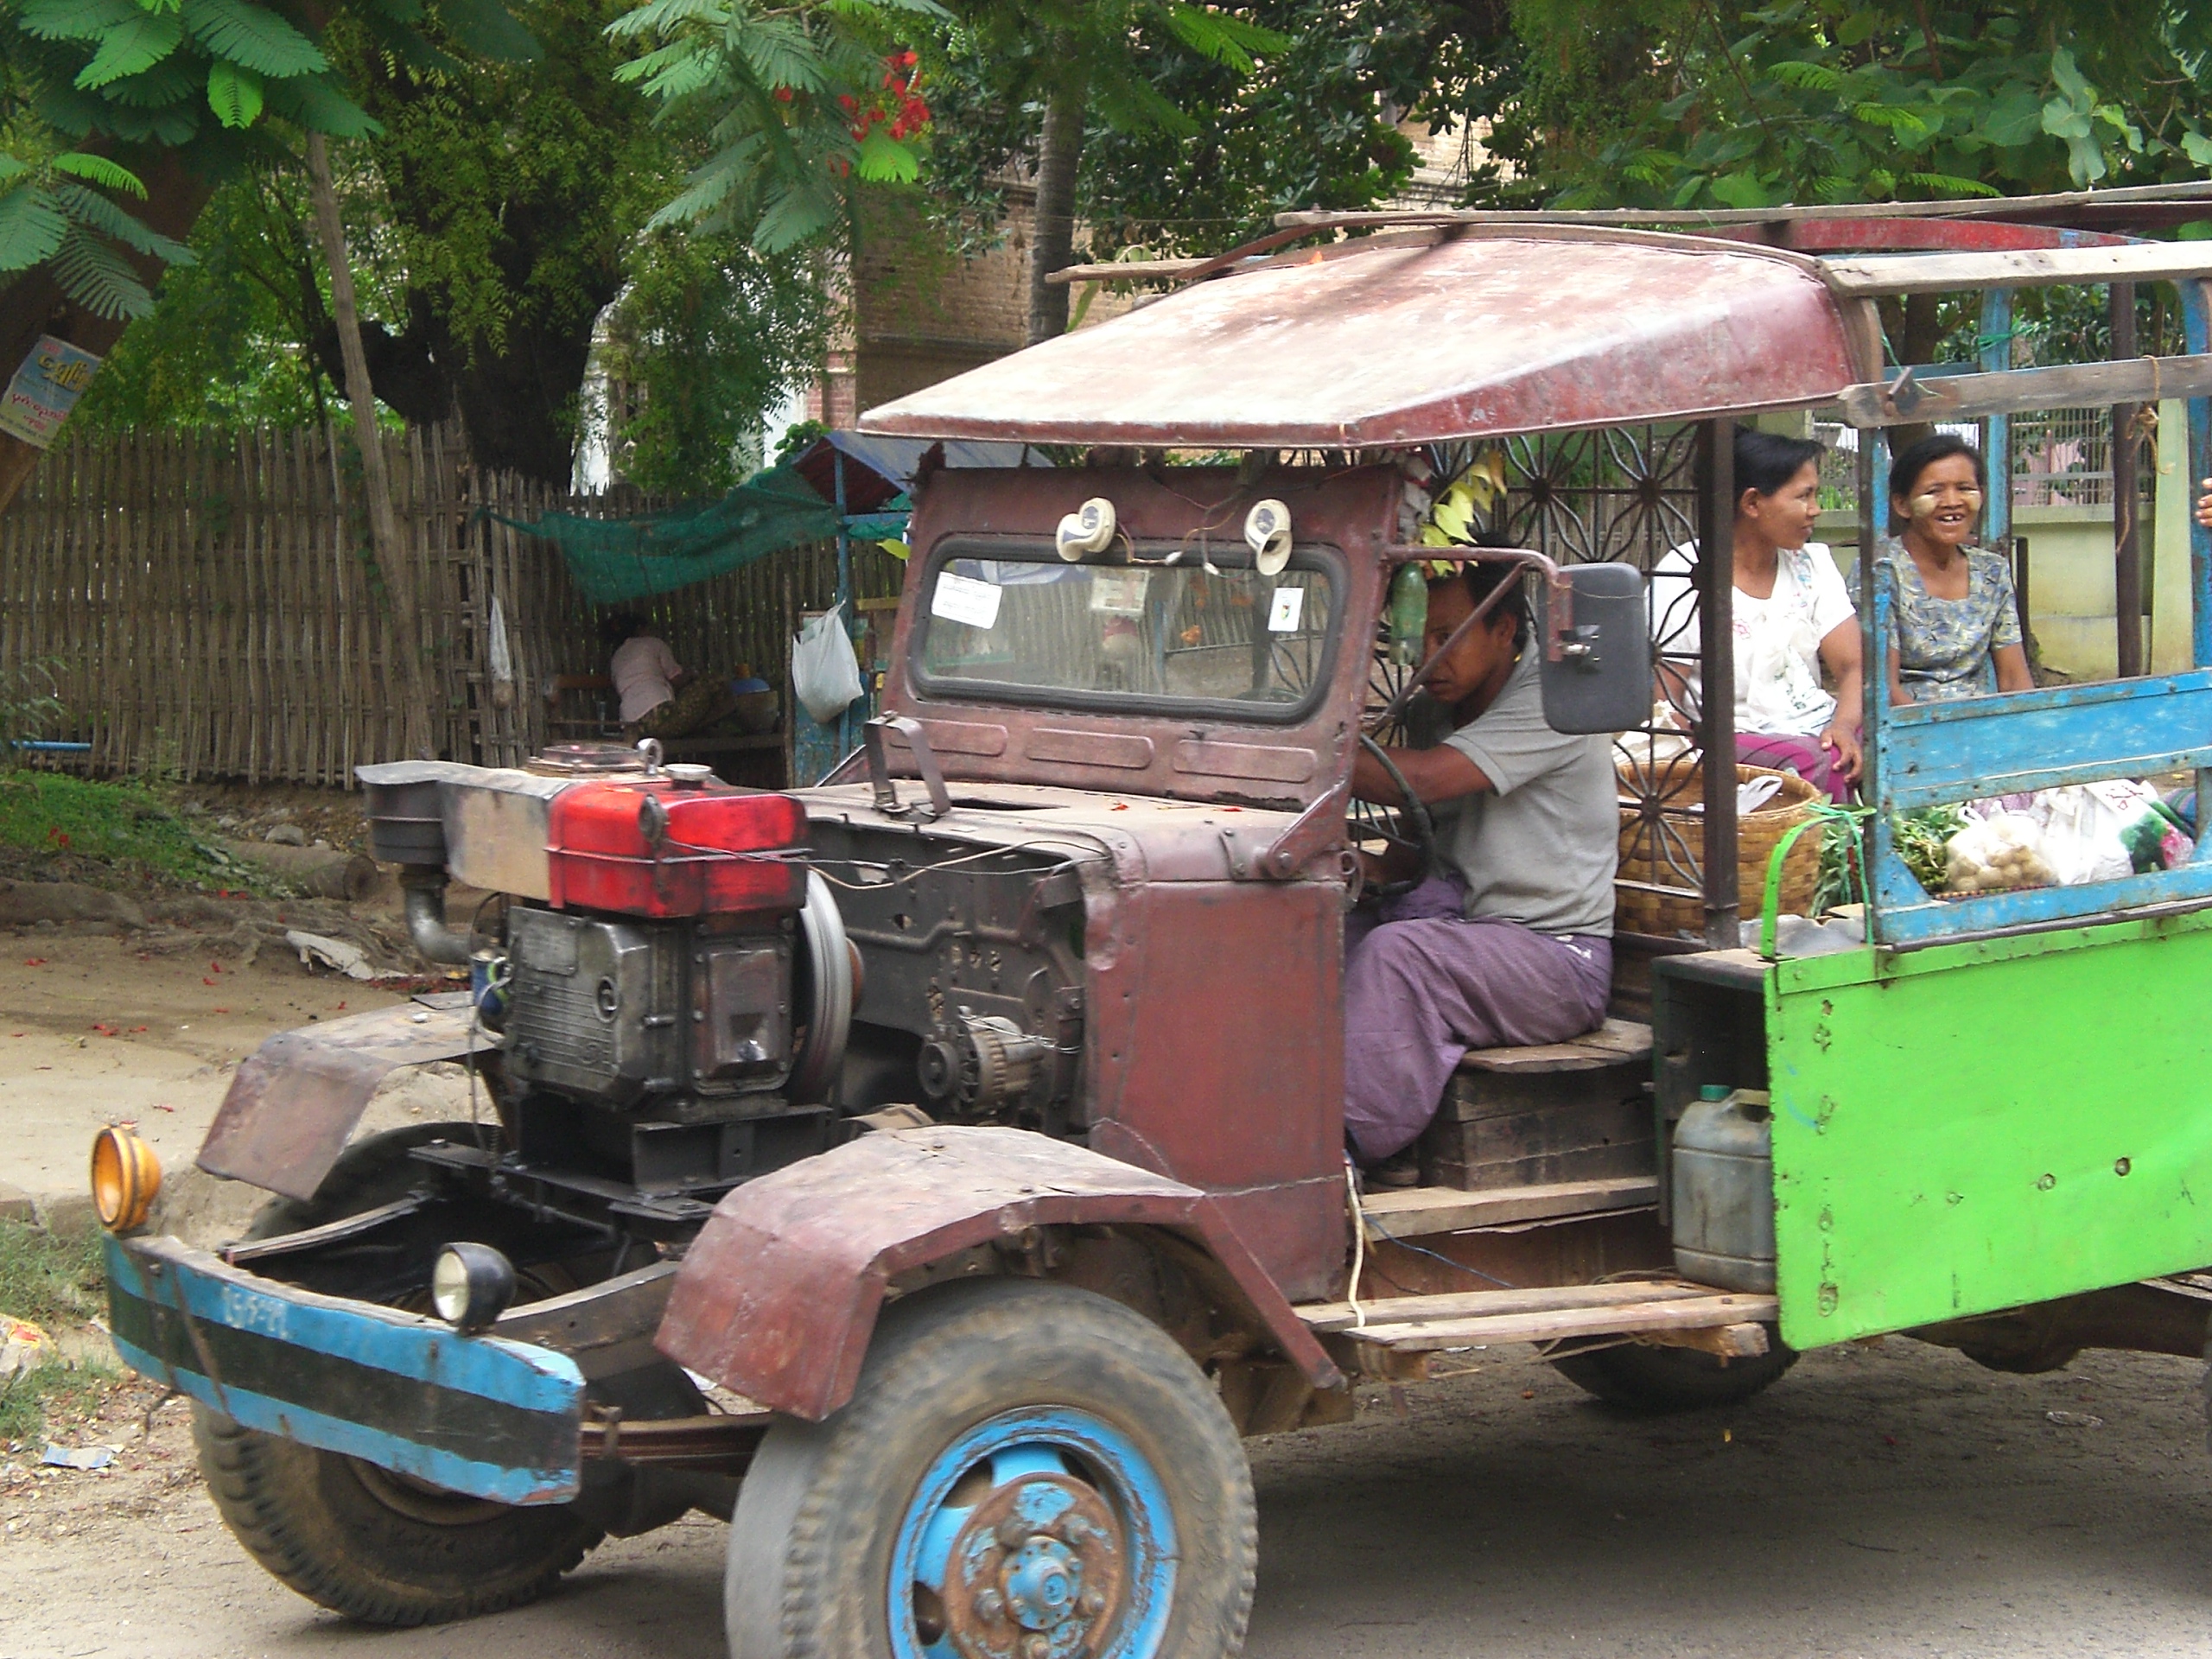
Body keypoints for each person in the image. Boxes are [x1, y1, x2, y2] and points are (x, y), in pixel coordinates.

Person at [1343, 559, 1618, 1176]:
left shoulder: (1554, 703)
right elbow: (1417, 845)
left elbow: (1425, 780)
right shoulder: (1432, 714)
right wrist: (1364, 871)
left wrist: (1303, 746)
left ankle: (1340, 1148)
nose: (1428, 660)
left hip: (1556, 959)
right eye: (1418, 638)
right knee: (1319, 933)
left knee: (1401, 956)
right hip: (1467, 936)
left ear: (1504, 630)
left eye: (1448, 637)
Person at [1648, 429, 1864, 802]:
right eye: (1804, 496)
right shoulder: (1687, 572)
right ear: (1752, 503)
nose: (1815, 509)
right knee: (1816, 762)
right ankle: (1834, 841)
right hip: (1729, 737)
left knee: (1886, 740)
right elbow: (1664, 701)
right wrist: (1696, 762)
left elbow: (1851, 667)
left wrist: (1843, 726)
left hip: (1816, 725)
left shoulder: (1812, 565)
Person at [1852, 433, 2034, 703]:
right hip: (1909, 722)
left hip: (1983, 720)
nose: (1952, 501)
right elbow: (1885, 690)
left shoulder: (1992, 571)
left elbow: (2015, 678)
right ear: (1902, 504)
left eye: (1964, 488)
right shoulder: (1881, 571)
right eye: (1934, 491)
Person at [605, 613, 735, 739]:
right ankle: (720, 728)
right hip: (659, 717)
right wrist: (692, 673)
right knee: (711, 682)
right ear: (640, 628)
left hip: (632, 727)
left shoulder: (616, 657)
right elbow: (676, 680)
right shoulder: (653, 643)